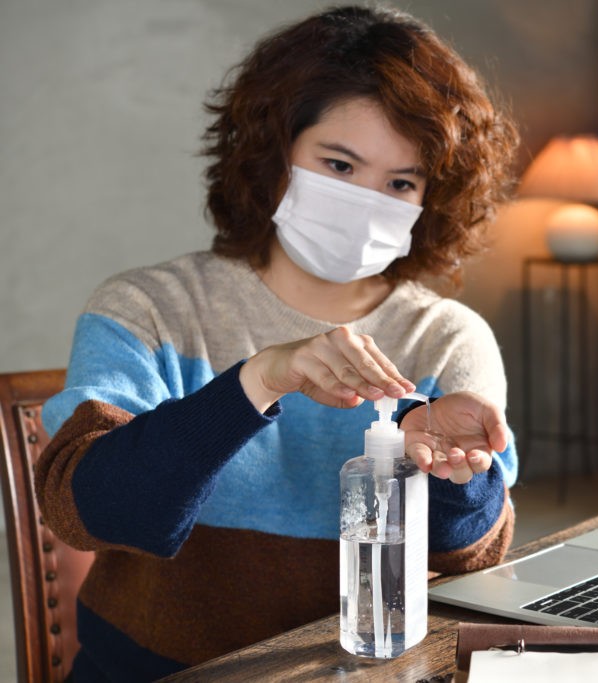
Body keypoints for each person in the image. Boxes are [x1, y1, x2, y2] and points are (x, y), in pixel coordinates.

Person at [35, 5, 520, 680]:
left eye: (400, 182)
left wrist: (442, 468)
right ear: (272, 154)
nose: (366, 201)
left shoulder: (445, 339)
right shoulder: (147, 308)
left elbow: (475, 553)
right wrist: (256, 382)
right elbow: (87, 510)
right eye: (340, 164)